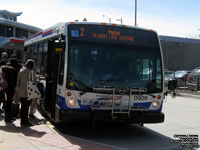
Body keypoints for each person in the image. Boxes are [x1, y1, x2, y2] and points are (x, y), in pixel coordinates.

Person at [17, 59, 37, 126]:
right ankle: (25, 121)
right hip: (29, 93)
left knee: (22, 107)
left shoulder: (21, 71)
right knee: (26, 108)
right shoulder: (31, 72)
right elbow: (35, 82)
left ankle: (22, 121)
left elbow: (18, 82)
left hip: (21, 92)